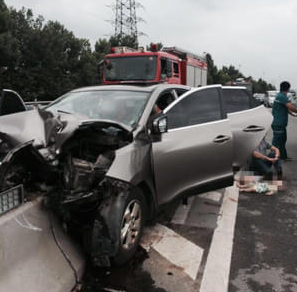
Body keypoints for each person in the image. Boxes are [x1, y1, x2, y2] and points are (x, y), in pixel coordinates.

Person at [271, 81, 297, 160]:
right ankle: (271, 157)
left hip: (280, 123)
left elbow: (285, 108)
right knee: (276, 142)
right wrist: (295, 110)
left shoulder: (280, 96)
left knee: (282, 140)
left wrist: (292, 114)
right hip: (278, 123)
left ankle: (283, 156)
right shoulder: (282, 96)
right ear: (288, 88)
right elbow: (290, 106)